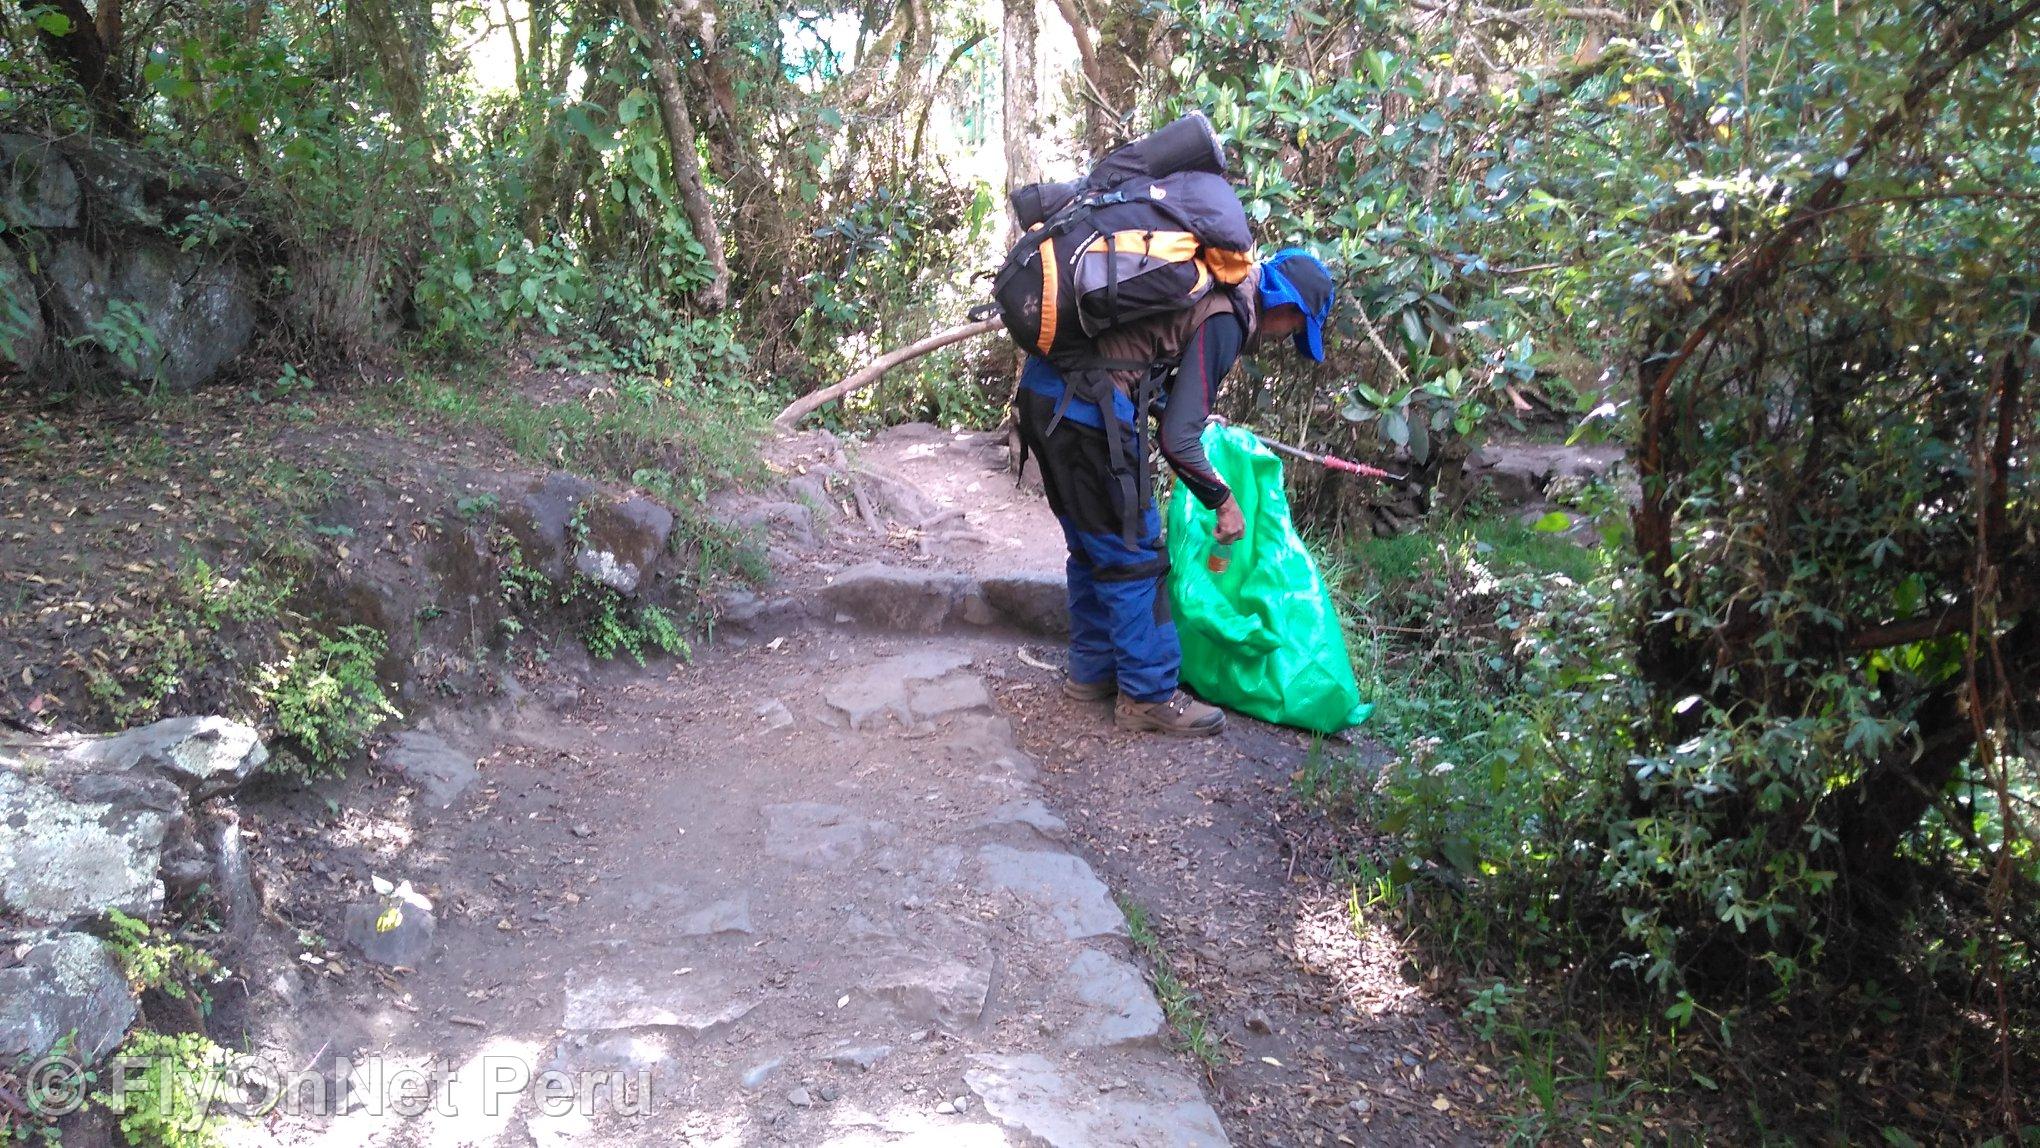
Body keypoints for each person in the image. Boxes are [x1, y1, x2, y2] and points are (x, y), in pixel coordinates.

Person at [1015, 247, 1337, 736]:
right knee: (1136, 555)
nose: (1284, 337)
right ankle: (1148, 696)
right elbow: (1177, 442)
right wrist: (1222, 502)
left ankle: (1091, 671)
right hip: (1086, 412)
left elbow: (1138, 360)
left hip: (1044, 398)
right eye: (1294, 328)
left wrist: (1180, 411)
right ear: (1287, 307)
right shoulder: (1228, 316)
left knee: (1092, 544)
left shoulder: (1208, 286)